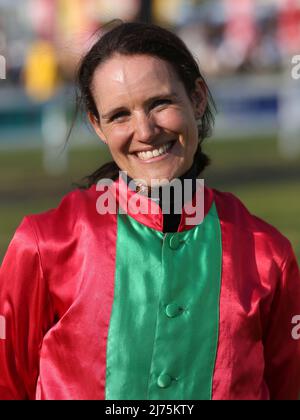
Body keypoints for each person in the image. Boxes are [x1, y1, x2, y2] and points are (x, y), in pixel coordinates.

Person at [0, 21, 300, 401]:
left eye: (160, 103)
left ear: (197, 98)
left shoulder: (268, 256)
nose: (144, 131)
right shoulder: (45, 244)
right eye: (119, 115)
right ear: (97, 125)